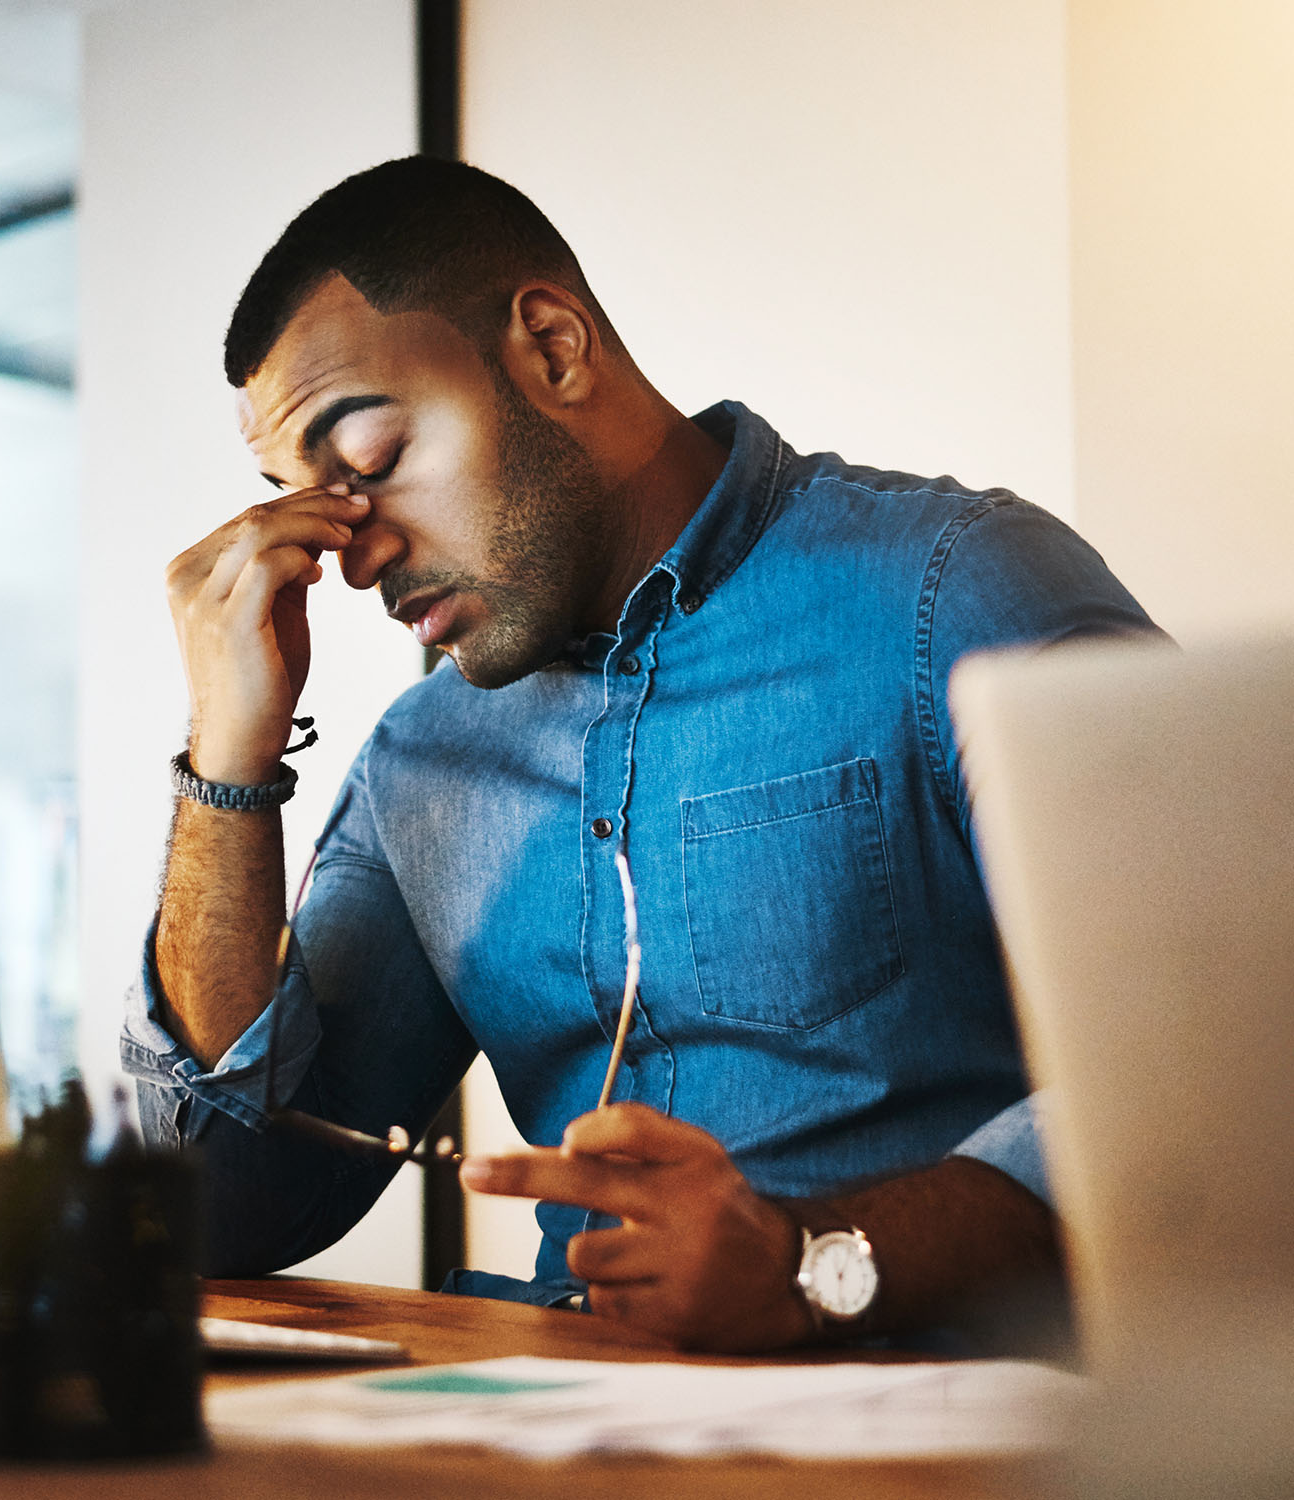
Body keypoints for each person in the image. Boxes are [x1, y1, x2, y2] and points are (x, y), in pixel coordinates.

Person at [122, 156, 1156, 1353]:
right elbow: (222, 1211)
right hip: (566, 1428)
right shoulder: (426, 761)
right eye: (306, 503)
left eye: (371, 460)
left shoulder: (955, 594)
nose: (352, 556)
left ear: (553, 350)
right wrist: (227, 760)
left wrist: (809, 1260)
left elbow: (1221, 1075)